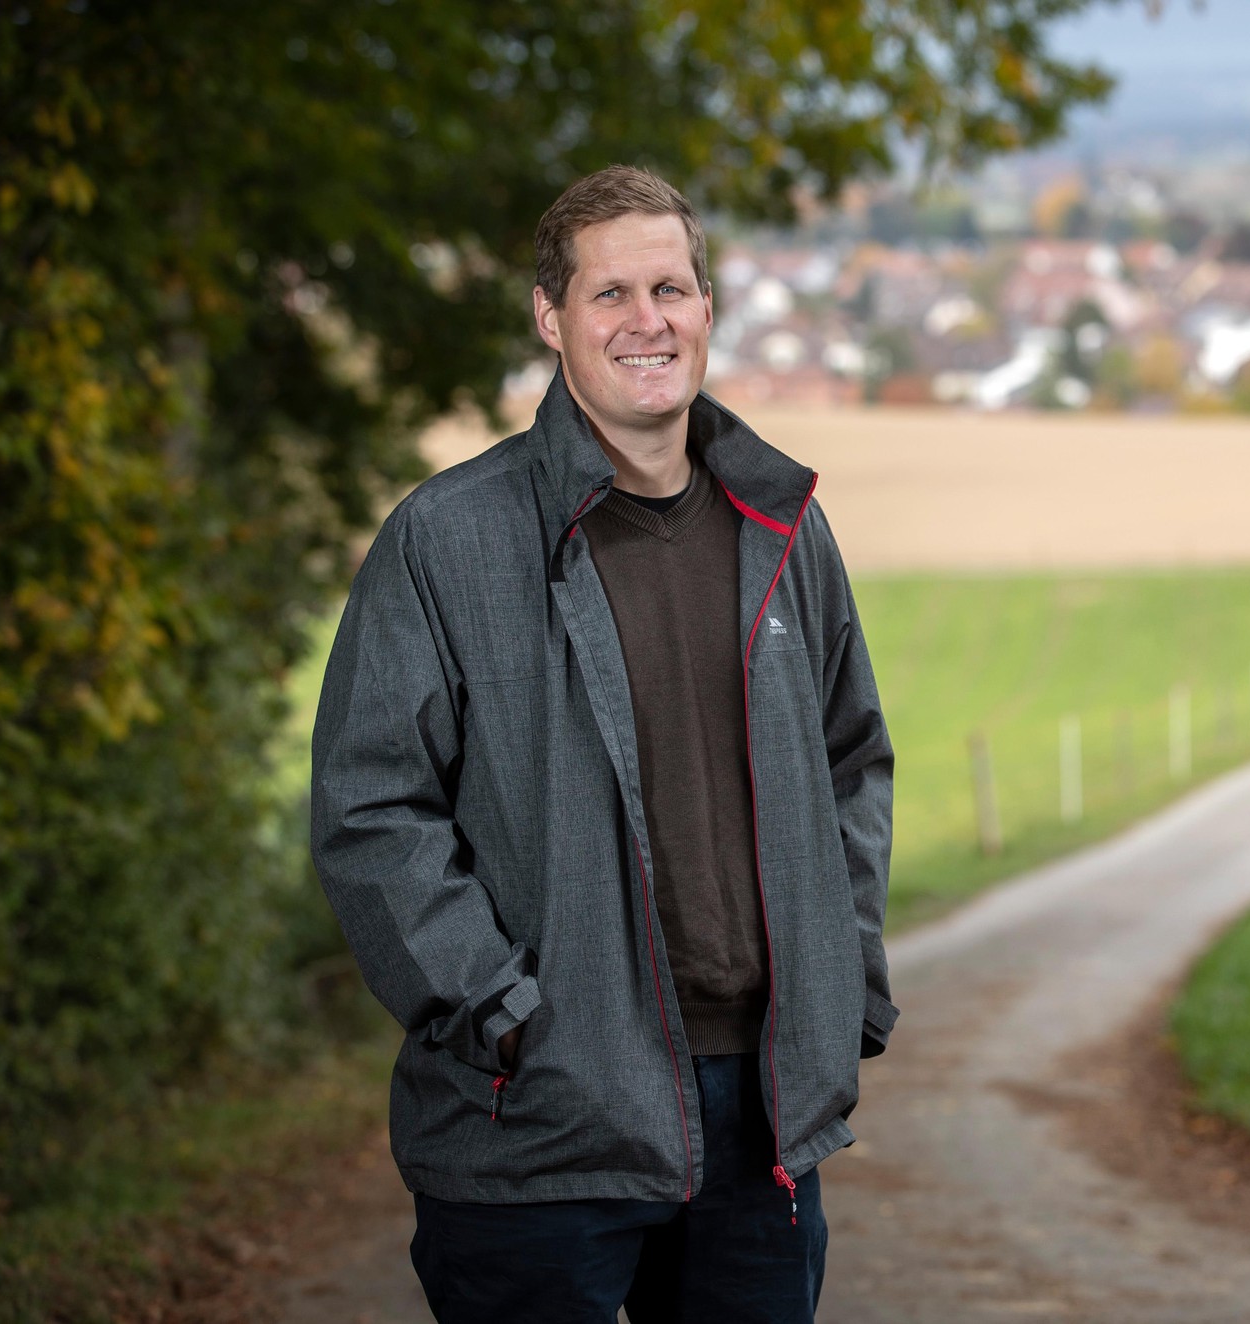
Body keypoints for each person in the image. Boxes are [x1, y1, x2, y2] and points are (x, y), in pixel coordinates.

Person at [310, 164, 897, 1324]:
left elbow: (852, 763)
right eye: (610, 293)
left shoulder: (782, 528)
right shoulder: (449, 539)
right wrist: (502, 1014)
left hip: (761, 1123)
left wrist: (844, 977)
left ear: (707, 309)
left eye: (669, 287)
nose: (647, 321)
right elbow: (371, 808)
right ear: (551, 319)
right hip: (541, 1123)